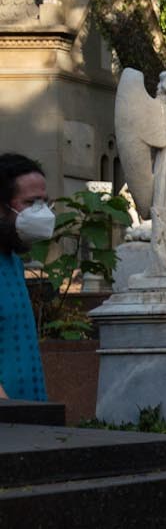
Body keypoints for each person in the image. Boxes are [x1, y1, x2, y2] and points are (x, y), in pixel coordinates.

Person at [0, 152, 54, 401]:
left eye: (45, 202)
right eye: (31, 203)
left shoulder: (13, 262)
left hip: (26, 422)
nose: (41, 212)